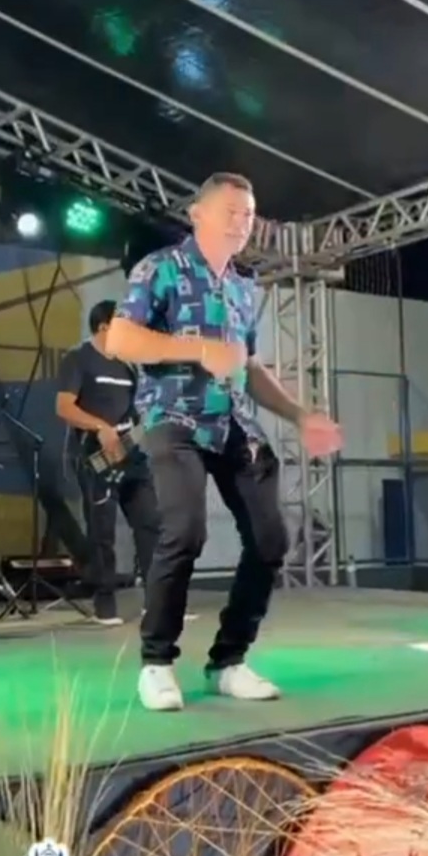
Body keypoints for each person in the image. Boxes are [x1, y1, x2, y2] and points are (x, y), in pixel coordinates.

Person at [107, 173, 343, 711]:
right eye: (231, 211)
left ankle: (228, 661)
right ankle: (156, 663)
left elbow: (248, 366)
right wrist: (196, 348)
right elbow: (121, 338)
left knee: (271, 540)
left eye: (249, 214)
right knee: (185, 530)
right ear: (198, 214)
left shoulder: (242, 286)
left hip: (233, 424)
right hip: (173, 417)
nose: (242, 222)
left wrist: (301, 414)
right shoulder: (160, 268)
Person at [56, 300, 161, 626]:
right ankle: (105, 606)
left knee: (151, 524)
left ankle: (158, 604)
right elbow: (64, 407)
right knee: (102, 530)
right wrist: (100, 427)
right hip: (96, 456)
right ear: (104, 327)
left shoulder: (128, 367)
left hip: (132, 456)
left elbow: (138, 412)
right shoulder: (78, 359)